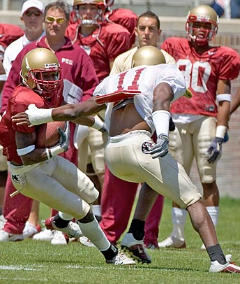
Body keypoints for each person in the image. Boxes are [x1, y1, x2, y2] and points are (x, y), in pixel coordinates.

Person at [12, 46, 240, 273]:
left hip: (114, 152)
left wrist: (40, 115)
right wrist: (161, 134)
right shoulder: (163, 73)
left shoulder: (117, 79)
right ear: (159, 63)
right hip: (138, 146)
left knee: (154, 181)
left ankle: (134, 234)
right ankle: (218, 260)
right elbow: (161, 98)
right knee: (192, 198)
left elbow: (78, 110)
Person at [1, 47, 135, 265]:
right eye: (43, 76)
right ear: (28, 76)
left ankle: (60, 222)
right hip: (27, 172)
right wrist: (58, 148)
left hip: (47, 160)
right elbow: (26, 156)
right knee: (82, 210)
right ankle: (111, 254)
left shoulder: (53, 90)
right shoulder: (22, 100)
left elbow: (68, 111)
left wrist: (104, 128)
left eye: (54, 74)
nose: (50, 81)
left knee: (91, 193)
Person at [0, 1, 99, 244]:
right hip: (28, 123)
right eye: (50, 20)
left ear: (68, 23)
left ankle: (60, 227)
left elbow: (91, 89)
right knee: (22, 167)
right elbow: (12, 83)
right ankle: (13, 224)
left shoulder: (77, 54)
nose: (54, 25)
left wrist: (75, 115)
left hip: (61, 124)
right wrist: (6, 110)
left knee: (64, 172)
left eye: (59, 21)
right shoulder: (31, 51)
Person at [157, 5, 240, 249]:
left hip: (204, 118)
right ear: (188, 25)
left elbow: (224, 98)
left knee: (207, 176)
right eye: (198, 24)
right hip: (176, 118)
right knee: (177, 177)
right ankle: (177, 235)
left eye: (206, 25)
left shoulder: (223, 55)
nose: (201, 30)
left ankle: (209, 237)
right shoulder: (173, 46)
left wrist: (220, 133)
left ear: (214, 29)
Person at [100, 11, 175, 252]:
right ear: (135, 31)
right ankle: (109, 233)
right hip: (126, 128)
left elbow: (168, 97)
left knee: (156, 181)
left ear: (159, 32)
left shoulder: (167, 59)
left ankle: (147, 235)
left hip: (153, 126)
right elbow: (112, 94)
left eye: (151, 28)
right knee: (117, 181)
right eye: (142, 28)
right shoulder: (124, 59)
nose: (146, 33)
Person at [66, 0, 132, 224]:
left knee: (102, 165)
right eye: (83, 7)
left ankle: (108, 219)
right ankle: (74, 219)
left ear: (101, 10)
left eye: (93, 8)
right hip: (74, 104)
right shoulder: (69, 33)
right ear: (76, 11)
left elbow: (117, 73)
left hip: (99, 105)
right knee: (74, 166)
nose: (87, 12)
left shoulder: (112, 34)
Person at [1, 0, 45, 240]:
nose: (32, 18)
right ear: (21, 18)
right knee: (19, 165)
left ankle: (43, 221)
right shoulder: (13, 49)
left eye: (36, 14)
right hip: (19, 113)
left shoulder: (49, 44)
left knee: (45, 165)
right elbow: (11, 83)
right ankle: (19, 221)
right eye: (28, 14)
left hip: (45, 111)